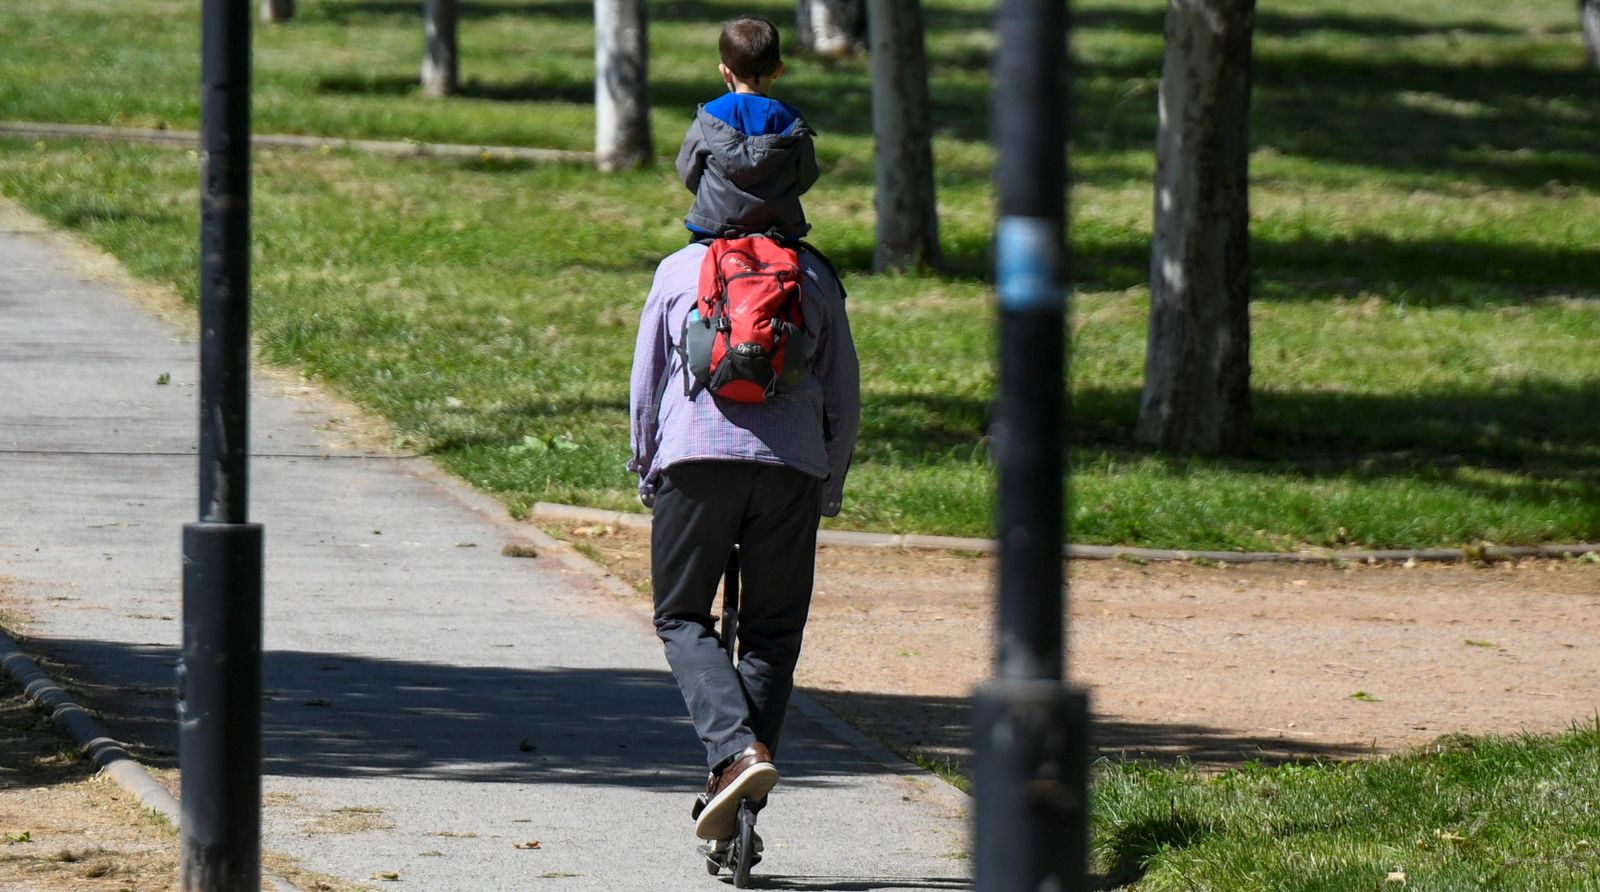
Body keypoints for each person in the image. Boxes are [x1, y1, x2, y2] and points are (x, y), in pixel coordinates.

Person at [627, 240, 859, 841]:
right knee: (772, 634)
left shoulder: (677, 267)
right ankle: (740, 800)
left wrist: (648, 465)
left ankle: (734, 755)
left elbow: (647, 381)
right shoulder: (814, 274)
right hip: (792, 469)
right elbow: (842, 392)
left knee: (681, 615)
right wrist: (826, 481)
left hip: (697, 462)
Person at [676, 15, 818, 242]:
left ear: (724, 72)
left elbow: (688, 171)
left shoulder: (709, 117)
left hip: (713, 231)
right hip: (780, 233)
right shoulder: (792, 122)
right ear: (778, 70)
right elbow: (806, 176)